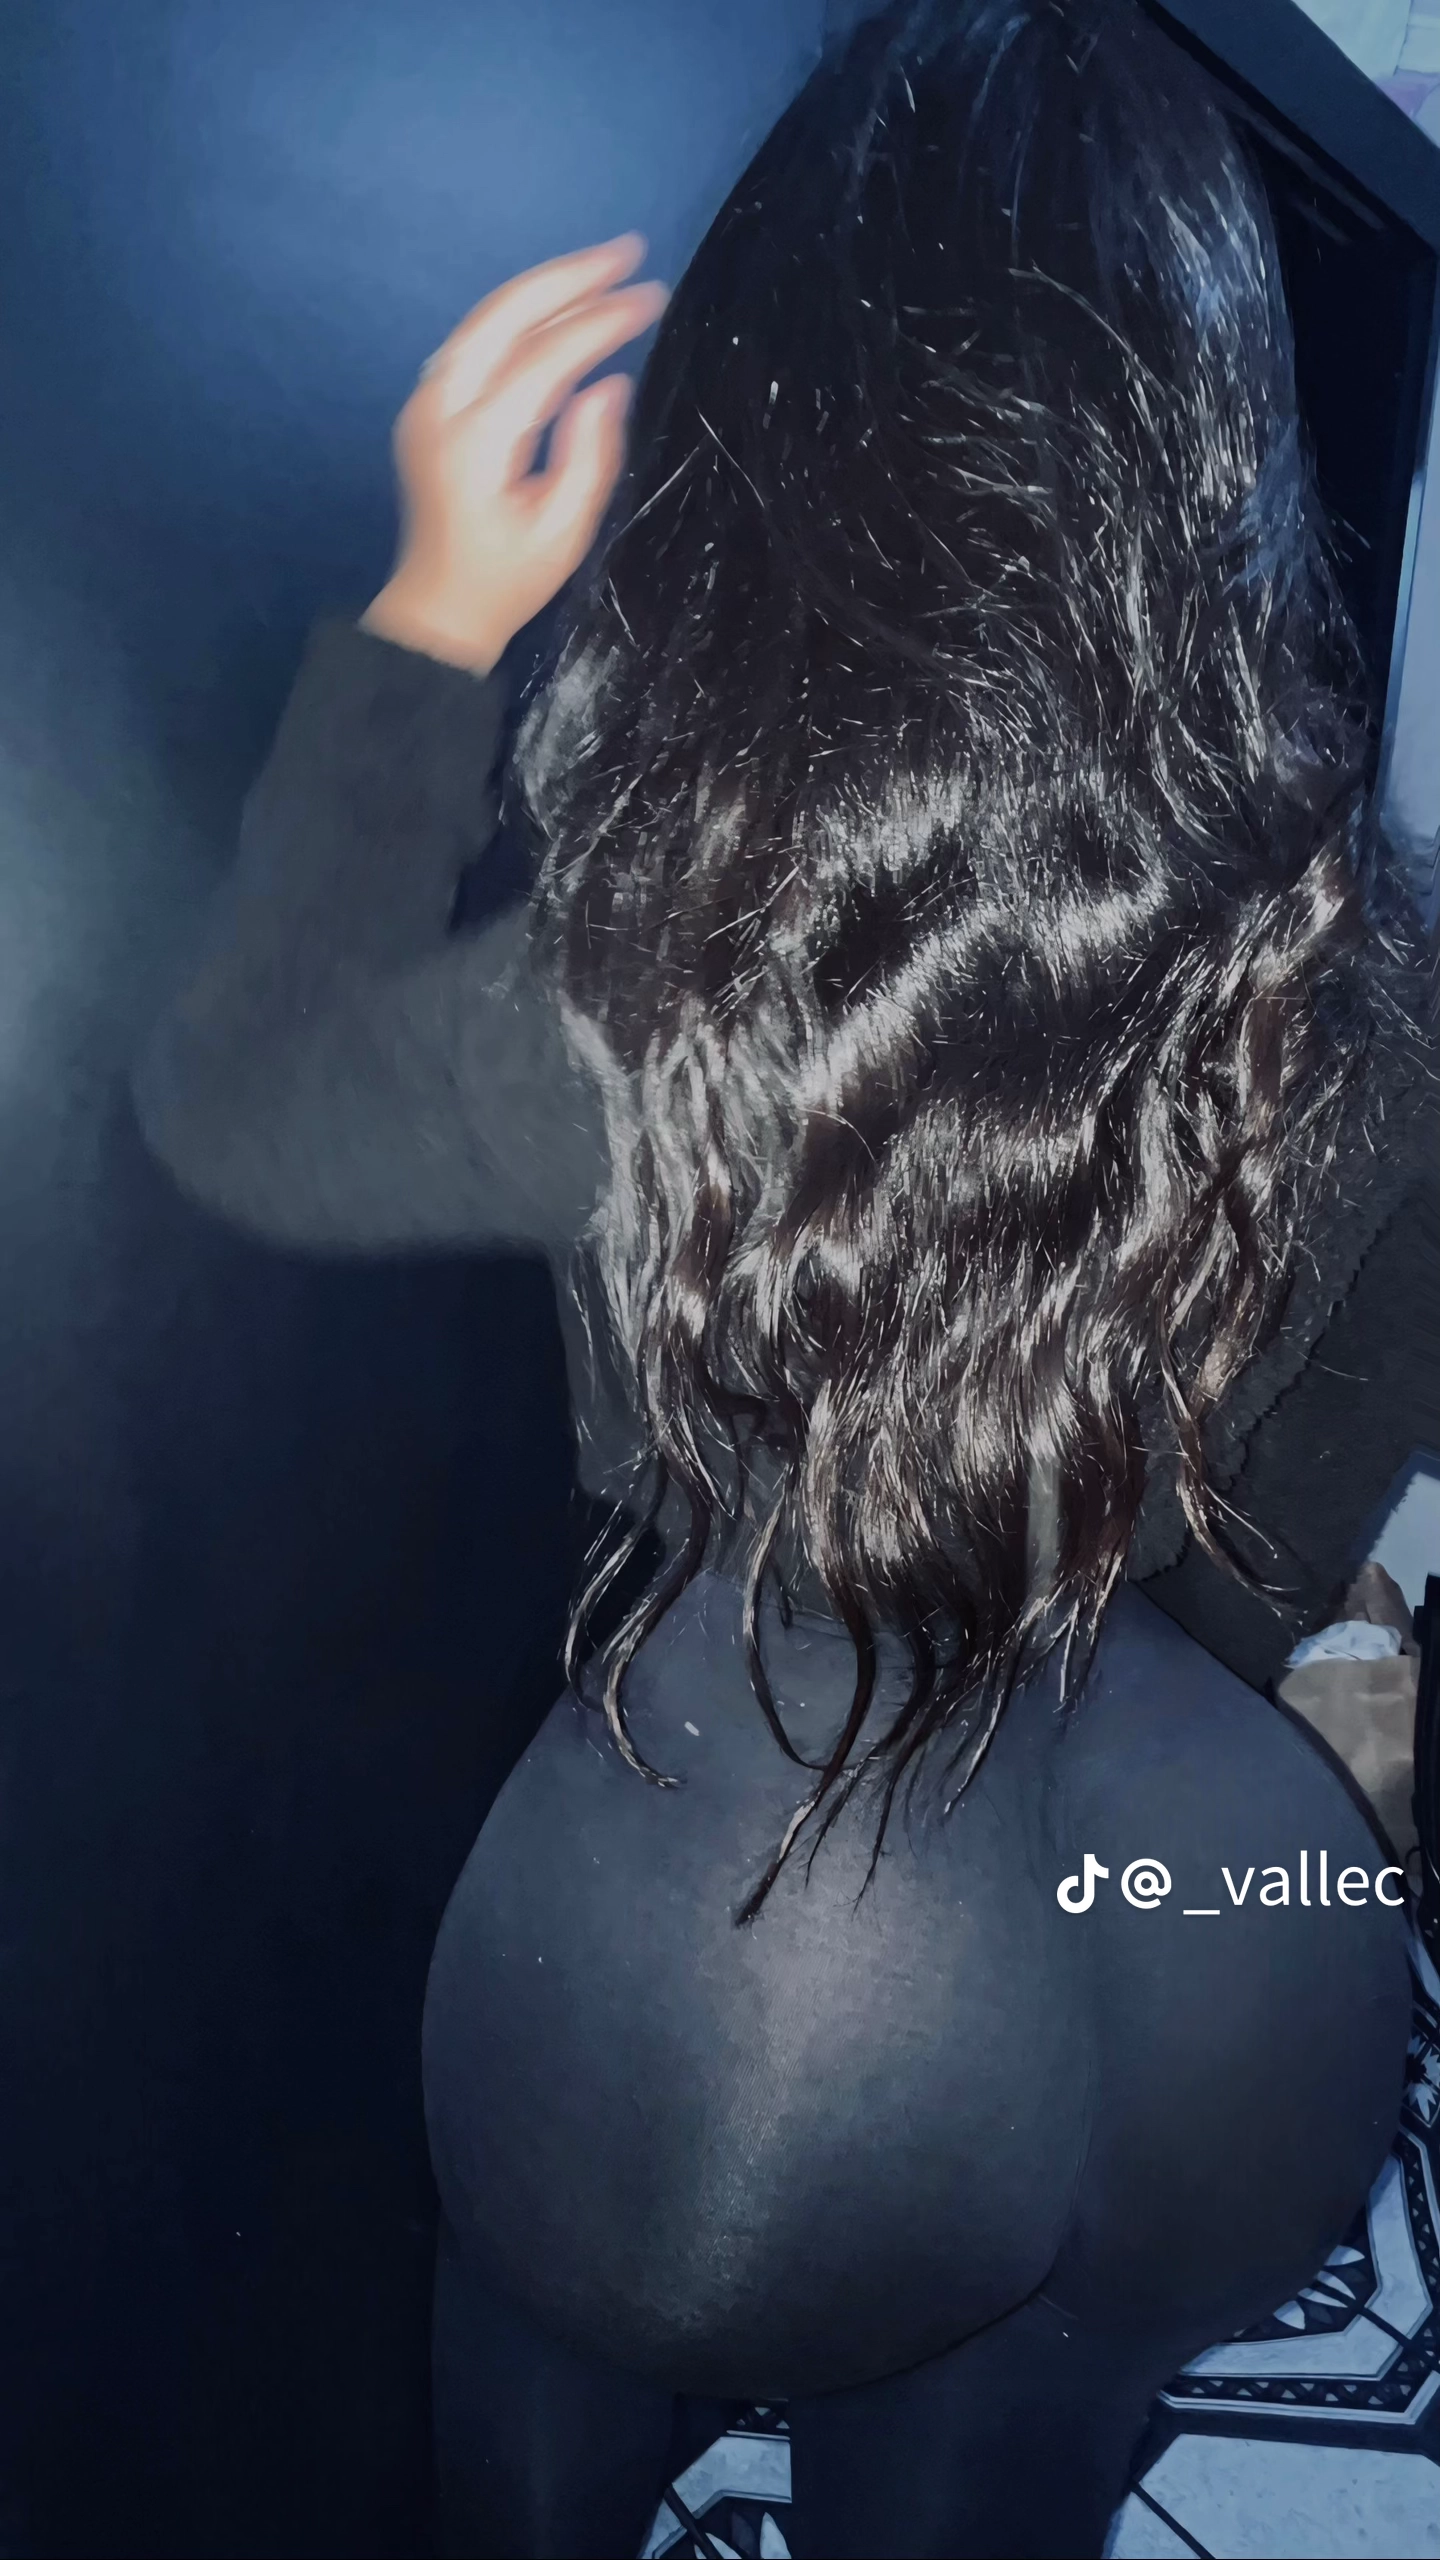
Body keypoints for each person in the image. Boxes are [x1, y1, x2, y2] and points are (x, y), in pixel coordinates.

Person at [133, 3, 1436, 2551]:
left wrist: (429, 620)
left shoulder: (609, 989)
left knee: (553, 2372)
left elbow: (235, 1100)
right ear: (1219, 506)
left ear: (729, 488)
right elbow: (1279, 1558)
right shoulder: (1379, 1011)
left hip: (724, 1983)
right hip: (1218, 1947)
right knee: (1030, 2366)